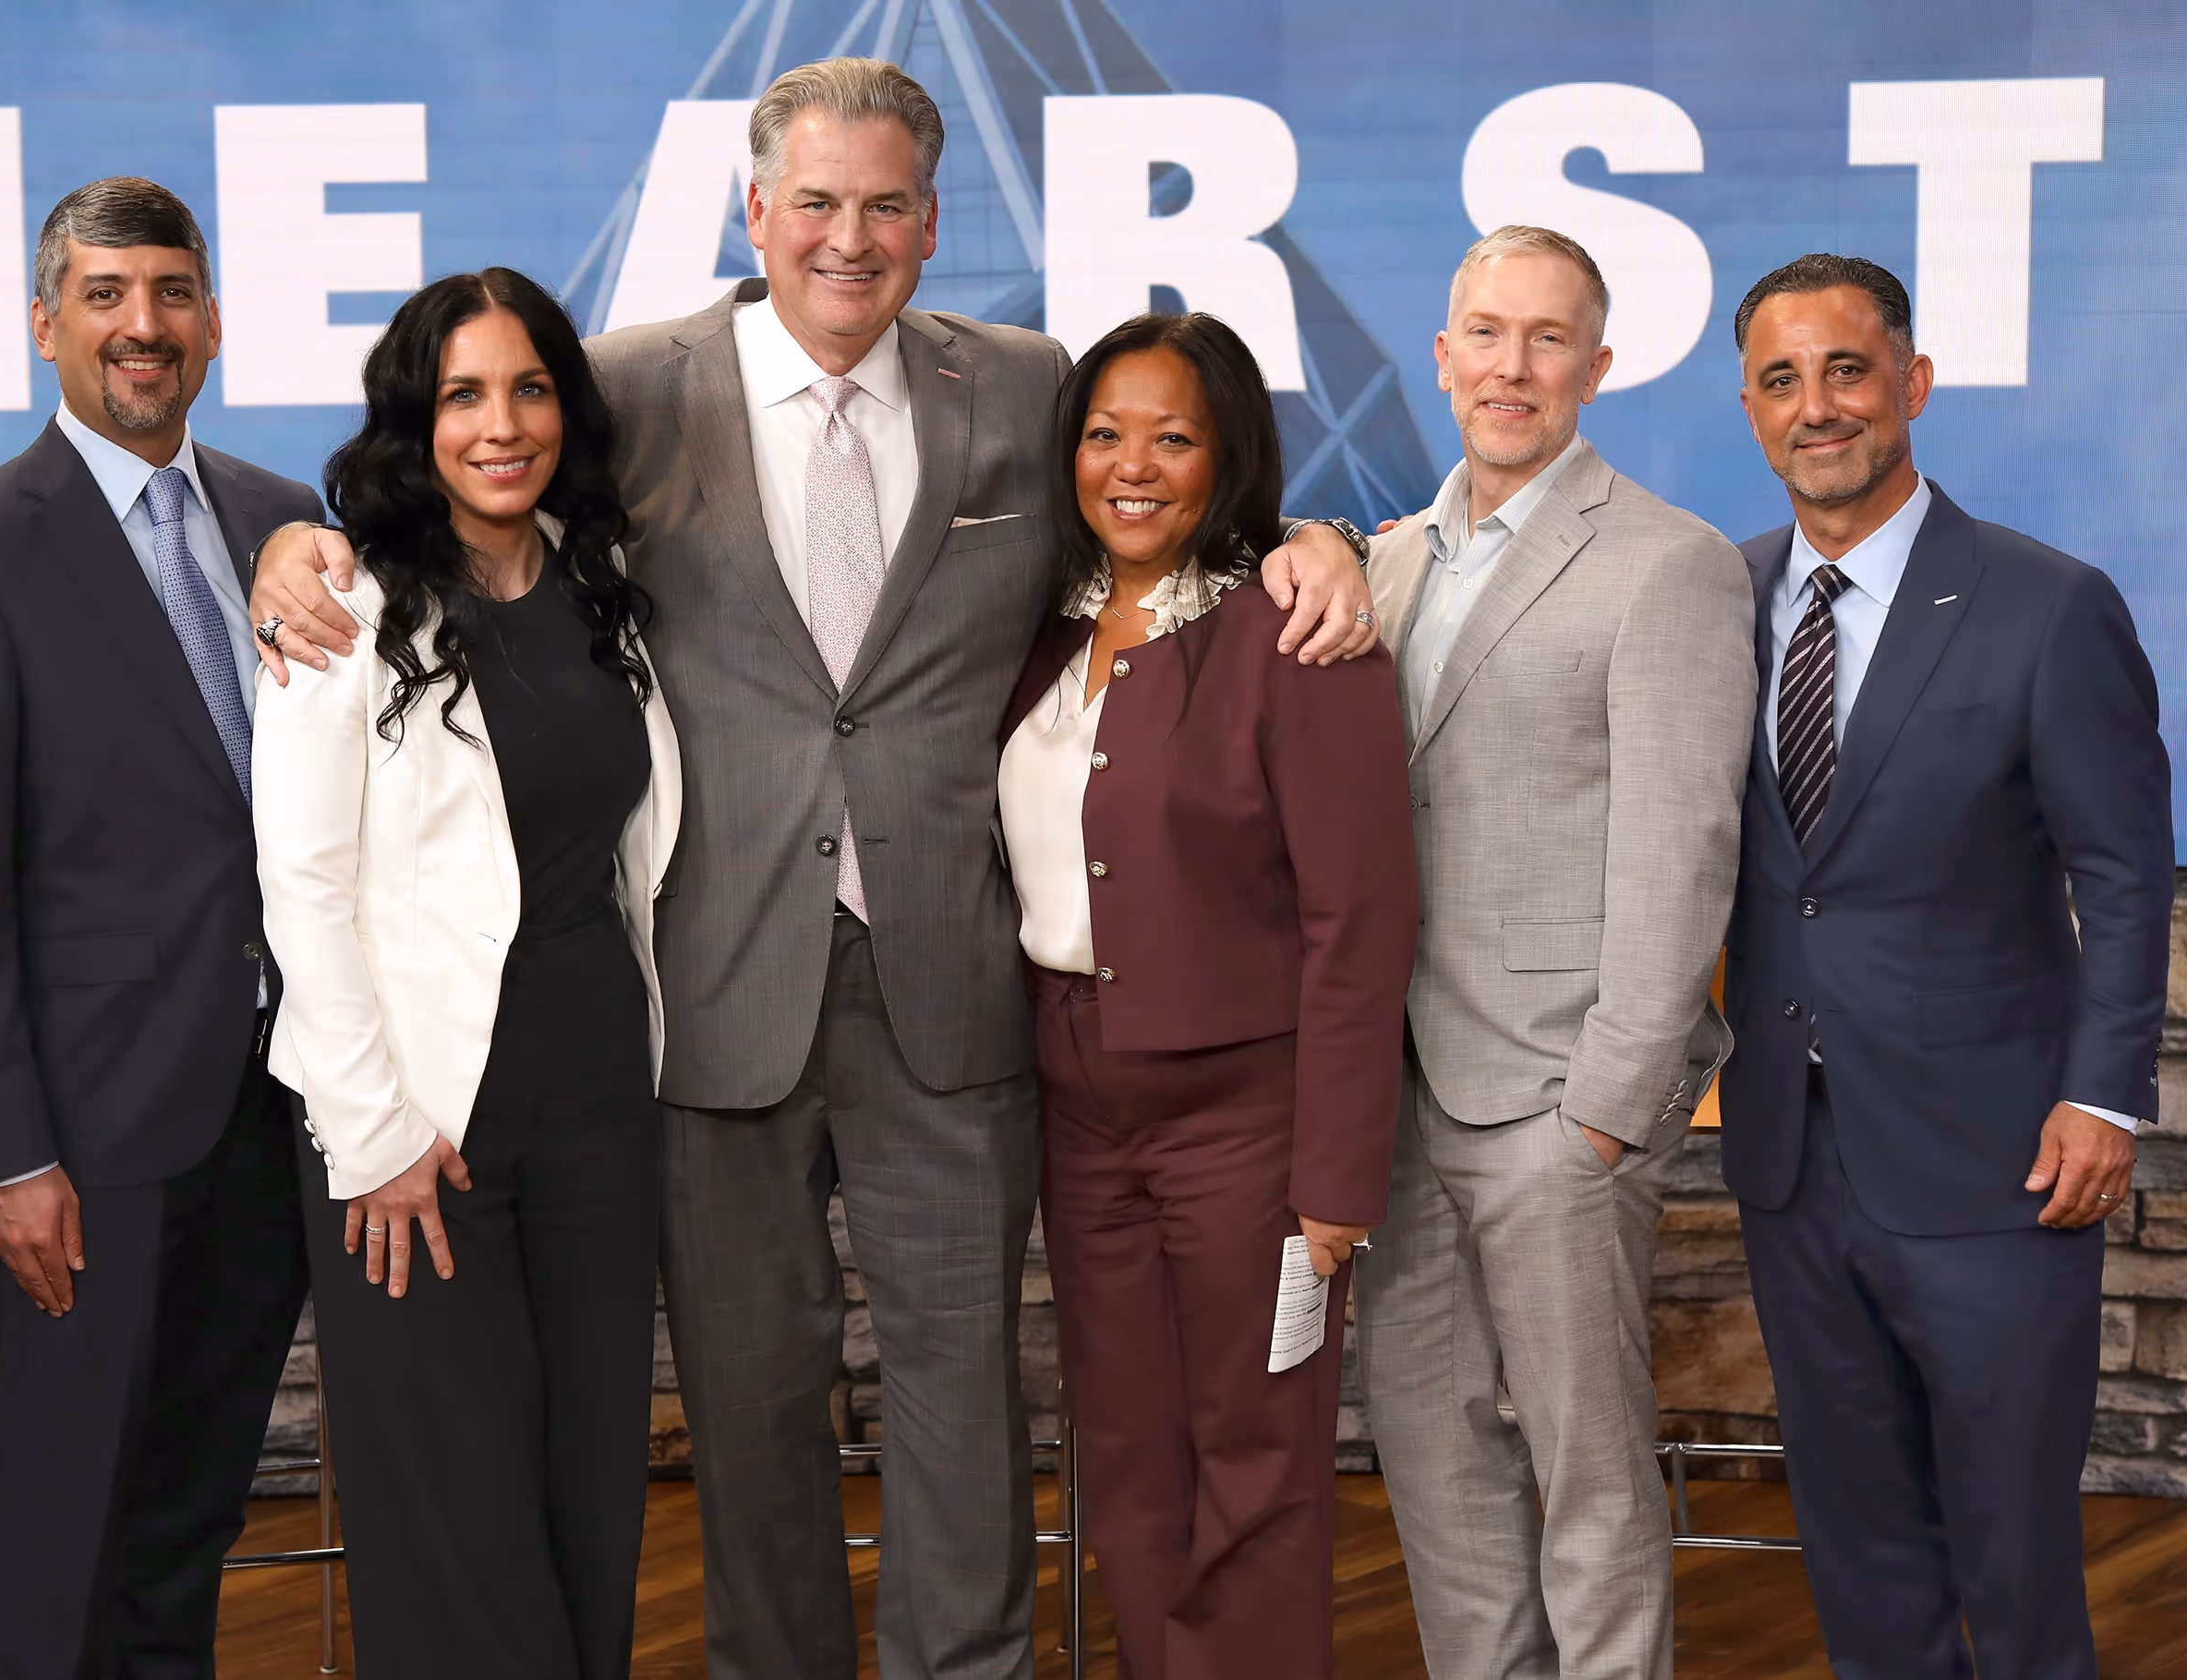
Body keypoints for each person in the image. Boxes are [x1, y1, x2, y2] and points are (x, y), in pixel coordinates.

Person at [247, 58, 1378, 1679]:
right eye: (820, 202)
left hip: (952, 987)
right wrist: (298, 543)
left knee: (963, 1401)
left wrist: (1315, 542)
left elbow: (1161, 507)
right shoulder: (621, 386)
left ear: (933, 222)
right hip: (717, 991)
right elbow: (448, 476)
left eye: (888, 204)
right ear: (756, 210)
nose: (851, 237)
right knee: (749, 1404)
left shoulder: (1022, 384)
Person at [0, 176, 327, 1678]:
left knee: (193, 1511)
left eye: (171, 293)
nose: (144, 325)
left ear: (213, 319)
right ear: (44, 325)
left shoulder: (283, 519)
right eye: (105, 295)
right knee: (64, 1519)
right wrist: (8, 1155)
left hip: (276, 1110)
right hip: (89, 1134)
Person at [1717, 254, 2169, 1678]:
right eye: (1782, 379)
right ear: (1750, 410)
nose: (1817, 406)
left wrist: (2105, 1095)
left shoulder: (2049, 603)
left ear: (1912, 382)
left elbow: (2124, 872)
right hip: (1791, 1155)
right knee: (1857, 1540)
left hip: (1996, 1161)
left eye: (1847, 369)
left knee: (2015, 1551)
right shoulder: (1715, 600)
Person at [251, 266, 679, 1680]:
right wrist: (368, 1131)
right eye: (464, 395)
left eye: (530, 388)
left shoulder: (602, 584)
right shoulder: (344, 608)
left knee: (587, 1482)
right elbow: (303, 887)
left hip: (599, 1088)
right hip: (417, 1109)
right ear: (414, 420)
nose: (502, 425)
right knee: (456, 1505)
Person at [1353, 224, 1756, 1680]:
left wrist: (1610, 1106)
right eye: (1486, 332)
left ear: (1598, 363)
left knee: (1588, 1466)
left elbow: (1683, 848)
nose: (1510, 366)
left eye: (1547, 338)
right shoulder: (1390, 559)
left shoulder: (1671, 563)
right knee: (1432, 1448)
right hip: (1394, 1093)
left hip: (1554, 1098)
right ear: (1443, 353)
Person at [997, 312, 1417, 1679]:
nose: (1132, 466)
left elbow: (1360, 923)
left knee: (1256, 1457)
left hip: (1249, 1123)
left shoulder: (1298, 636)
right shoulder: (1038, 630)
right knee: (1126, 1452)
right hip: (1078, 1110)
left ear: (1227, 455)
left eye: (1172, 438)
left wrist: (1337, 1174)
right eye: (1104, 434)